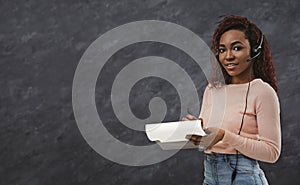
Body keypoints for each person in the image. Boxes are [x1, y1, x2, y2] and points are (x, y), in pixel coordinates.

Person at [183, 15, 281, 185]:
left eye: (236, 48)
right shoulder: (212, 89)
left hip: (243, 177)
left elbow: (272, 152)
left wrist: (225, 136)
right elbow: (208, 139)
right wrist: (195, 129)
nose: (228, 56)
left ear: (254, 51)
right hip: (210, 175)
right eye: (222, 50)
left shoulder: (263, 92)